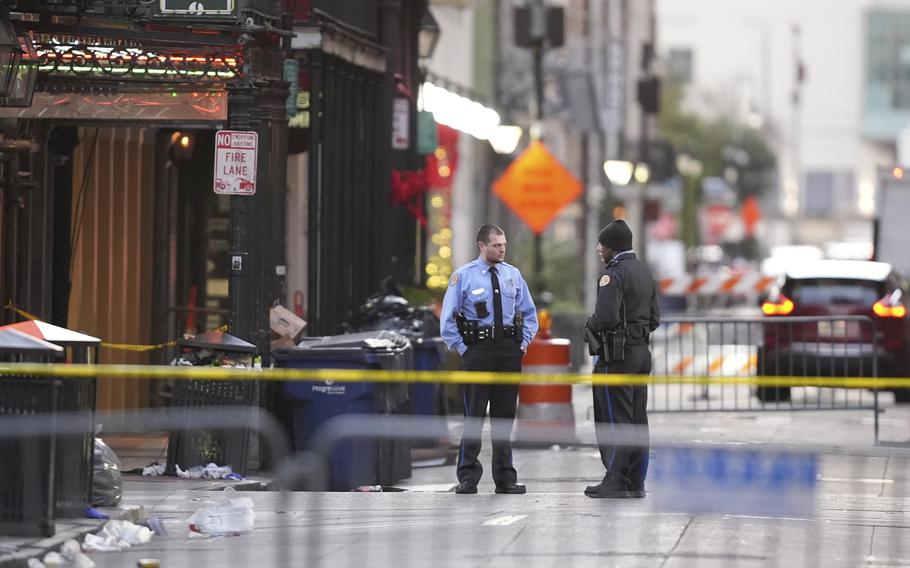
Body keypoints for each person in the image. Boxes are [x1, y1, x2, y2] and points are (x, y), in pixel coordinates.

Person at [440, 224, 539, 494]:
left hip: (508, 351)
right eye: (496, 245)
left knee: (504, 418)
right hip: (478, 352)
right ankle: (468, 477)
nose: (502, 249)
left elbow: (529, 313)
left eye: (504, 244)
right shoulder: (464, 277)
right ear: (482, 246)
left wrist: (523, 342)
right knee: (474, 417)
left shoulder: (513, 275)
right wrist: (463, 349)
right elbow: (448, 320)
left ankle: (505, 478)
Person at [584, 219, 660, 498]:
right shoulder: (643, 271)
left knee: (616, 420)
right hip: (641, 353)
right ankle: (635, 482)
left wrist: (590, 325)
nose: (597, 249)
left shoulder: (613, 275)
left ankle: (615, 480)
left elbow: (606, 317)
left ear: (611, 248)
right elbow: (655, 318)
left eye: (601, 245)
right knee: (637, 418)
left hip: (617, 356)